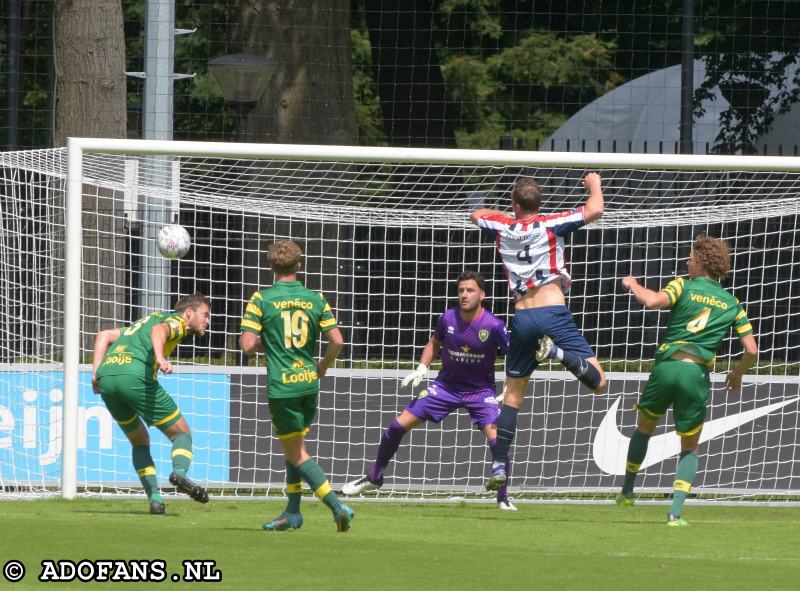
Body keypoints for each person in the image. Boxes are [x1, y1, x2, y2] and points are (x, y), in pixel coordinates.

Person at [469, 173, 607, 491]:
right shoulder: (551, 224)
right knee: (599, 382)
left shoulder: (502, 225)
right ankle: (558, 353)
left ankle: (499, 466)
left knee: (513, 396)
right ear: (539, 204)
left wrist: (504, 216)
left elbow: (475, 214)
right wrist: (594, 184)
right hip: (554, 313)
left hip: (522, 318)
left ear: (515, 204)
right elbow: (595, 209)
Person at [341, 271, 516, 510]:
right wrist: (422, 368)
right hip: (445, 387)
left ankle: (503, 498)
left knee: (499, 441)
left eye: (470, 290)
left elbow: (514, 356)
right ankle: (374, 476)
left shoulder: (494, 325)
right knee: (396, 426)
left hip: (480, 391)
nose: (464, 295)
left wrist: (510, 385)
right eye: (461, 290)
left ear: (482, 294)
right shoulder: (447, 318)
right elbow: (434, 343)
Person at [617, 234, 757, 525]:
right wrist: (737, 373)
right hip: (696, 374)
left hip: (667, 367)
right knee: (690, 446)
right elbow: (752, 350)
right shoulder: (732, 303)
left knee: (644, 428)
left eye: (691, 258)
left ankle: (628, 490)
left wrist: (633, 284)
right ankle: (675, 513)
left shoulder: (683, 285)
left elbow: (653, 301)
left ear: (701, 263)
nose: (687, 261)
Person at [239, 239, 354, 532]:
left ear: (271, 267)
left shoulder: (261, 300)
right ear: (299, 265)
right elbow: (338, 341)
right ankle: (292, 512)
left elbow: (248, 346)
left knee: (296, 452)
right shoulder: (315, 298)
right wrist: (323, 366)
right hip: (308, 384)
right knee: (293, 446)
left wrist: (266, 337)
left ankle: (337, 507)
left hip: (283, 387)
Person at [92, 292, 213, 515]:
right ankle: (179, 473)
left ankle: (155, 500)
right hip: (135, 377)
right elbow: (161, 331)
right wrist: (160, 357)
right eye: (205, 315)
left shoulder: (144, 321)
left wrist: (95, 374)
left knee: (140, 440)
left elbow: (104, 335)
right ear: (189, 313)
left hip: (107, 378)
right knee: (182, 433)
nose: (208, 320)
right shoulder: (177, 322)